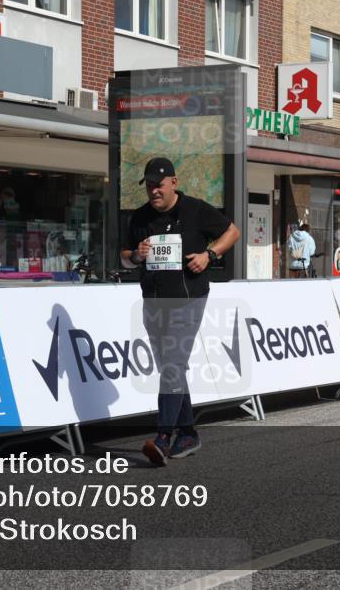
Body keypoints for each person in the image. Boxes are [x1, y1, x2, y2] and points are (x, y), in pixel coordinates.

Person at [121, 157, 240, 466]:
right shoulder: (139, 217)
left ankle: (163, 436)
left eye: (158, 185)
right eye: (148, 186)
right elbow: (124, 254)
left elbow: (232, 232)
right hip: (153, 301)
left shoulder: (196, 210)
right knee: (169, 368)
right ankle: (188, 433)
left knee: (173, 364)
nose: (153, 191)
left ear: (174, 182)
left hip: (188, 299)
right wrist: (136, 254)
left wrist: (209, 255)